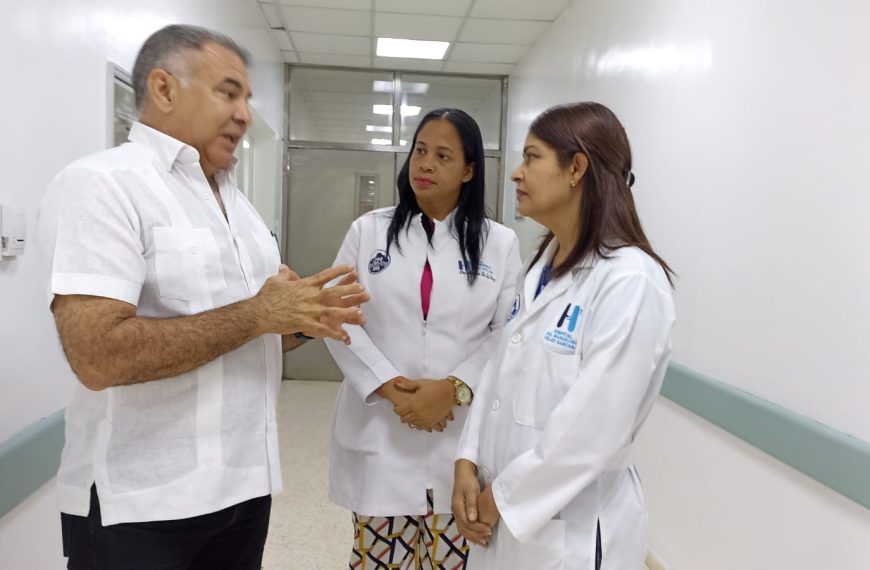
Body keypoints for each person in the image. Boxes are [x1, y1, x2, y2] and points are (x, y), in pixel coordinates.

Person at [34, 24, 368, 570]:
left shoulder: (239, 209)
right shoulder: (104, 185)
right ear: (164, 89)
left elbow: (246, 336)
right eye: (227, 93)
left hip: (242, 492)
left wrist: (303, 320)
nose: (243, 114)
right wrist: (259, 312)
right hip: (138, 506)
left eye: (246, 99)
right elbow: (97, 356)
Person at [451, 102, 676, 570]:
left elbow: (593, 430)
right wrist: (466, 463)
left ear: (576, 168)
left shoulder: (630, 280)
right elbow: (496, 373)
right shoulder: (541, 267)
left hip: (570, 532)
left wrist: (496, 501)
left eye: (531, 157)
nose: (516, 173)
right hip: (502, 521)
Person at [324, 108, 522, 569]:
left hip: (460, 443)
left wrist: (450, 389)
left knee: (454, 561)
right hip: (380, 435)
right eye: (420, 151)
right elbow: (339, 318)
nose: (425, 165)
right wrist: (393, 389)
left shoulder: (499, 243)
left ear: (469, 170)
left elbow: (507, 333)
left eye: (443, 156)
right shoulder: (369, 231)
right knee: (380, 561)